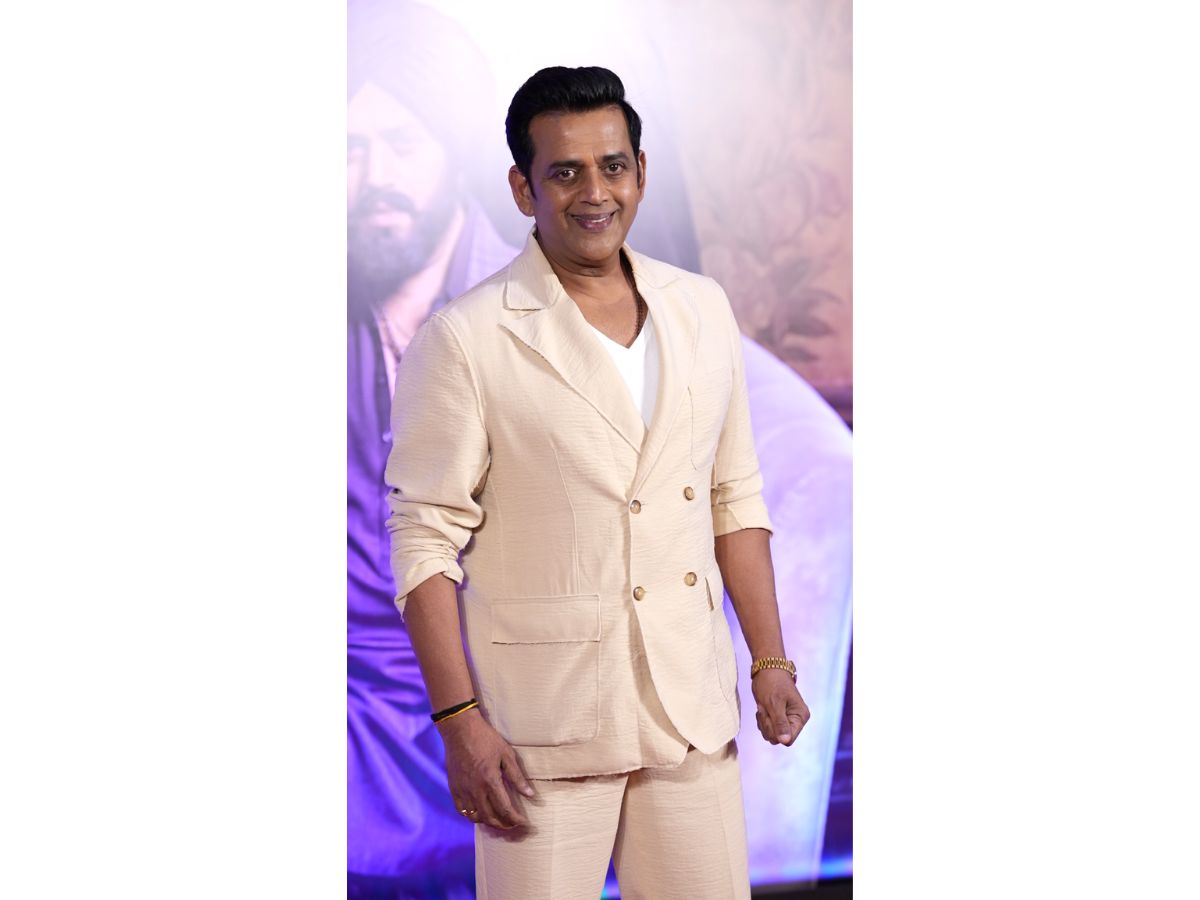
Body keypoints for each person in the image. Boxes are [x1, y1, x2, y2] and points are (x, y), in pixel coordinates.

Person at [385, 65, 812, 899]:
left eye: (613, 166)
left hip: (689, 711)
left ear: (641, 172)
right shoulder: (465, 337)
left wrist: (770, 659)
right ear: (523, 187)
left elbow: (734, 496)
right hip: (540, 729)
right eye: (565, 172)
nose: (594, 192)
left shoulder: (702, 307)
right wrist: (460, 722)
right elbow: (423, 539)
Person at [345, 2, 518, 894]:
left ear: (454, 150)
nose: (377, 177)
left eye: (404, 144)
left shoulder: (537, 312)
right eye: (349, 149)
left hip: (499, 707)